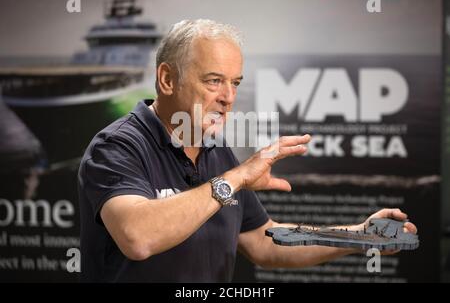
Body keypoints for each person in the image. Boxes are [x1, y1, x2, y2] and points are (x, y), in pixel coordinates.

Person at [78, 19, 417, 282]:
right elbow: (138, 238)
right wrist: (236, 178)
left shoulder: (214, 149)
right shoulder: (117, 146)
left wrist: (358, 236)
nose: (228, 97)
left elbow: (264, 243)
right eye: (214, 81)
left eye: (235, 82)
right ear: (167, 80)